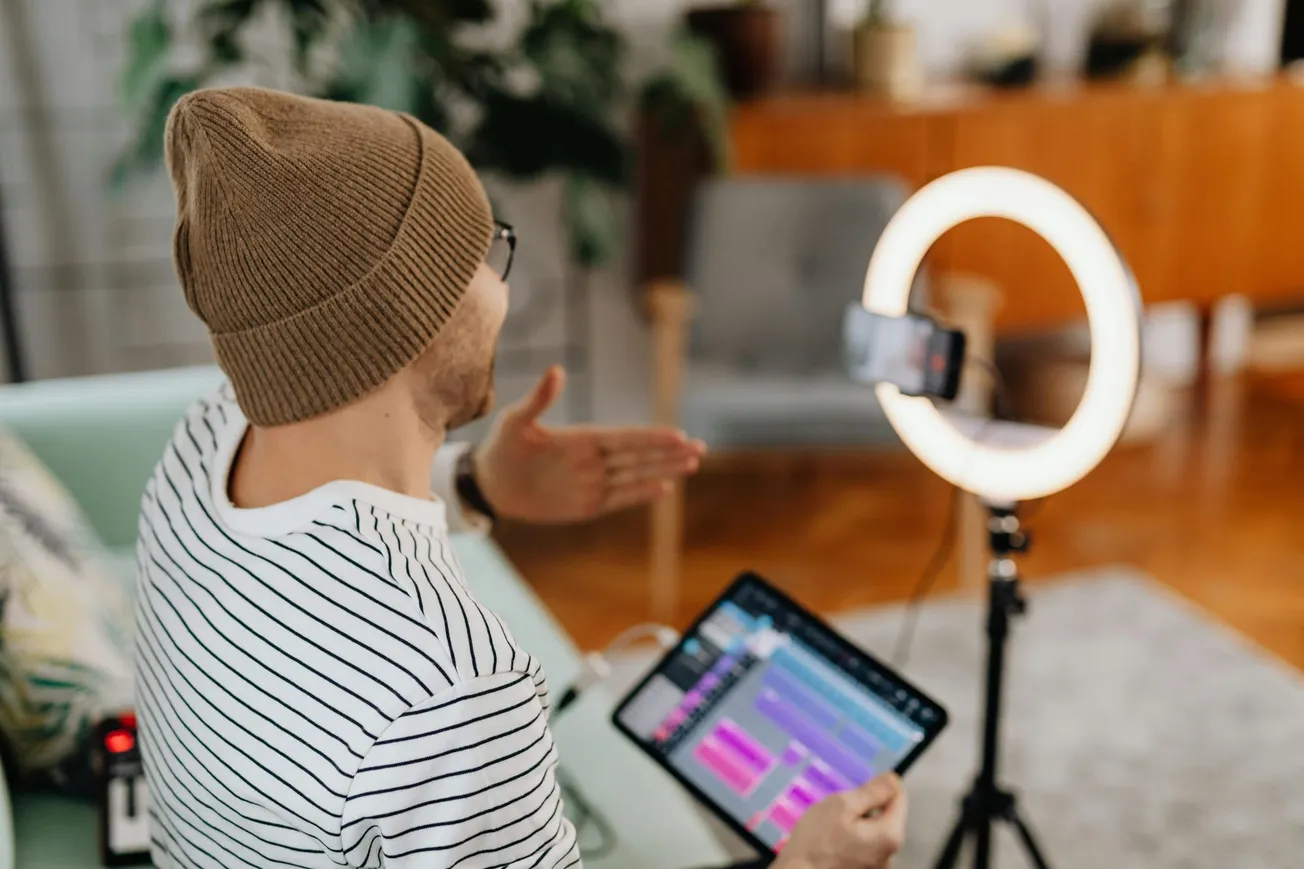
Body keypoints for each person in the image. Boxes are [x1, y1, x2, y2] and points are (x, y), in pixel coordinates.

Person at [136, 85, 908, 869]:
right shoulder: (453, 687)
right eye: (483, 251)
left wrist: (475, 484)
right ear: (411, 310)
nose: (501, 289)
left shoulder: (203, 436)